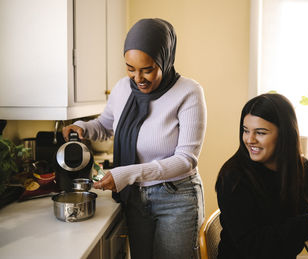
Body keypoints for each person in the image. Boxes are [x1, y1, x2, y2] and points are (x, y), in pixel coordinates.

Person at [62, 18, 207, 259]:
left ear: (165, 59)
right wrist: (83, 127)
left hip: (176, 198)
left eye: (147, 69)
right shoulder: (122, 88)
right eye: (130, 68)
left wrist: (126, 173)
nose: (138, 78)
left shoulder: (189, 92)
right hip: (135, 197)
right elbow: (106, 125)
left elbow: (186, 160)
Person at [215, 93, 308, 259]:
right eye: (245, 131)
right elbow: (252, 246)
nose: (249, 140)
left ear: (284, 134)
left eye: (261, 133)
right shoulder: (232, 177)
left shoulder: (302, 168)